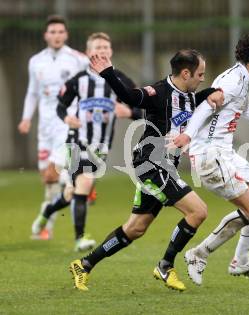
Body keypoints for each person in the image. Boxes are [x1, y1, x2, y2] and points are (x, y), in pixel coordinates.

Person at [68, 49, 224, 292]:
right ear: (185, 73)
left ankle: (84, 264)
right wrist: (108, 73)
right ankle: (165, 265)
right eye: (200, 74)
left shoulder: (189, 94)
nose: (203, 78)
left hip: (163, 166)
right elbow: (130, 96)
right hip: (152, 164)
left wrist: (211, 93)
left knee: (135, 229)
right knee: (198, 212)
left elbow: (198, 98)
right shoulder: (160, 92)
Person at [172, 32, 249, 285]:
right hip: (209, 155)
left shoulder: (242, 79)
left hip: (225, 152)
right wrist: (188, 136)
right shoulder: (233, 82)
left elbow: (246, 109)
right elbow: (206, 104)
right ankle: (198, 254)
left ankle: (240, 260)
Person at [31, 32, 142, 251]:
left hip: (101, 147)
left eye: (105, 48)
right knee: (85, 181)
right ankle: (80, 238)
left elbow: (141, 110)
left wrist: (128, 111)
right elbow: (60, 105)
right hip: (76, 141)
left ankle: (47, 212)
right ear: (89, 52)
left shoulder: (121, 80)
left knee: (70, 193)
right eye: (97, 48)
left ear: (110, 52)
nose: (102, 51)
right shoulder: (78, 80)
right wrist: (66, 118)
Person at [18, 15, 89, 240]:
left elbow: (92, 85)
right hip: (45, 126)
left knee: (55, 172)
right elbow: (32, 92)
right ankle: (47, 223)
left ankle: (73, 187)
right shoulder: (36, 61)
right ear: (45, 35)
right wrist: (26, 118)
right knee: (48, 179)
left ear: (66, 35)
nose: (57, 36)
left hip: (66, 123)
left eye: (60, 32)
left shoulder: (78, 59)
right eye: (52, 32)